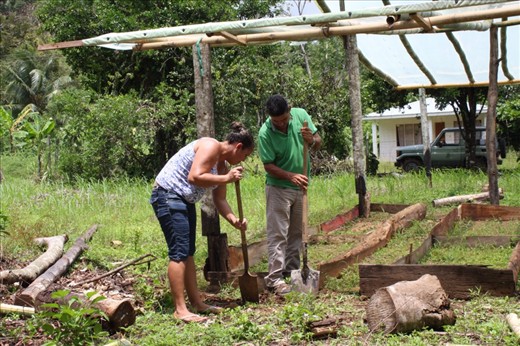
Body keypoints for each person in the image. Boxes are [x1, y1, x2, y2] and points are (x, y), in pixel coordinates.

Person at [150, 122, 254, 323]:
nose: (243, 160)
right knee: (179, 252)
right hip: (168, 195)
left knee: (188, 252)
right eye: (245, 155)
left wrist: (234, 220)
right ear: (238, 147)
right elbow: (194, 176)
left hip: (183, 200)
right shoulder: (210, 145)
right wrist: (227, 178)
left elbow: (220, 200)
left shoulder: (222, 165)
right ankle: (180, 309)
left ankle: (197, 303)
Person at [258, 94, 321, 295]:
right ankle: (275, 279)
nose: (281, 124)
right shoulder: (265, 133)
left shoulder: (301, 116)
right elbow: (268, 166)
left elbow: (318, 141)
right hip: (278, 188)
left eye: (284, 119)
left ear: (289, 111)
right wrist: (290, 176)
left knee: (296, 233)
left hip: (300, 187)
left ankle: (293, 272)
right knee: (278, 234)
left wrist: (311, 139)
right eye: (276, 121)